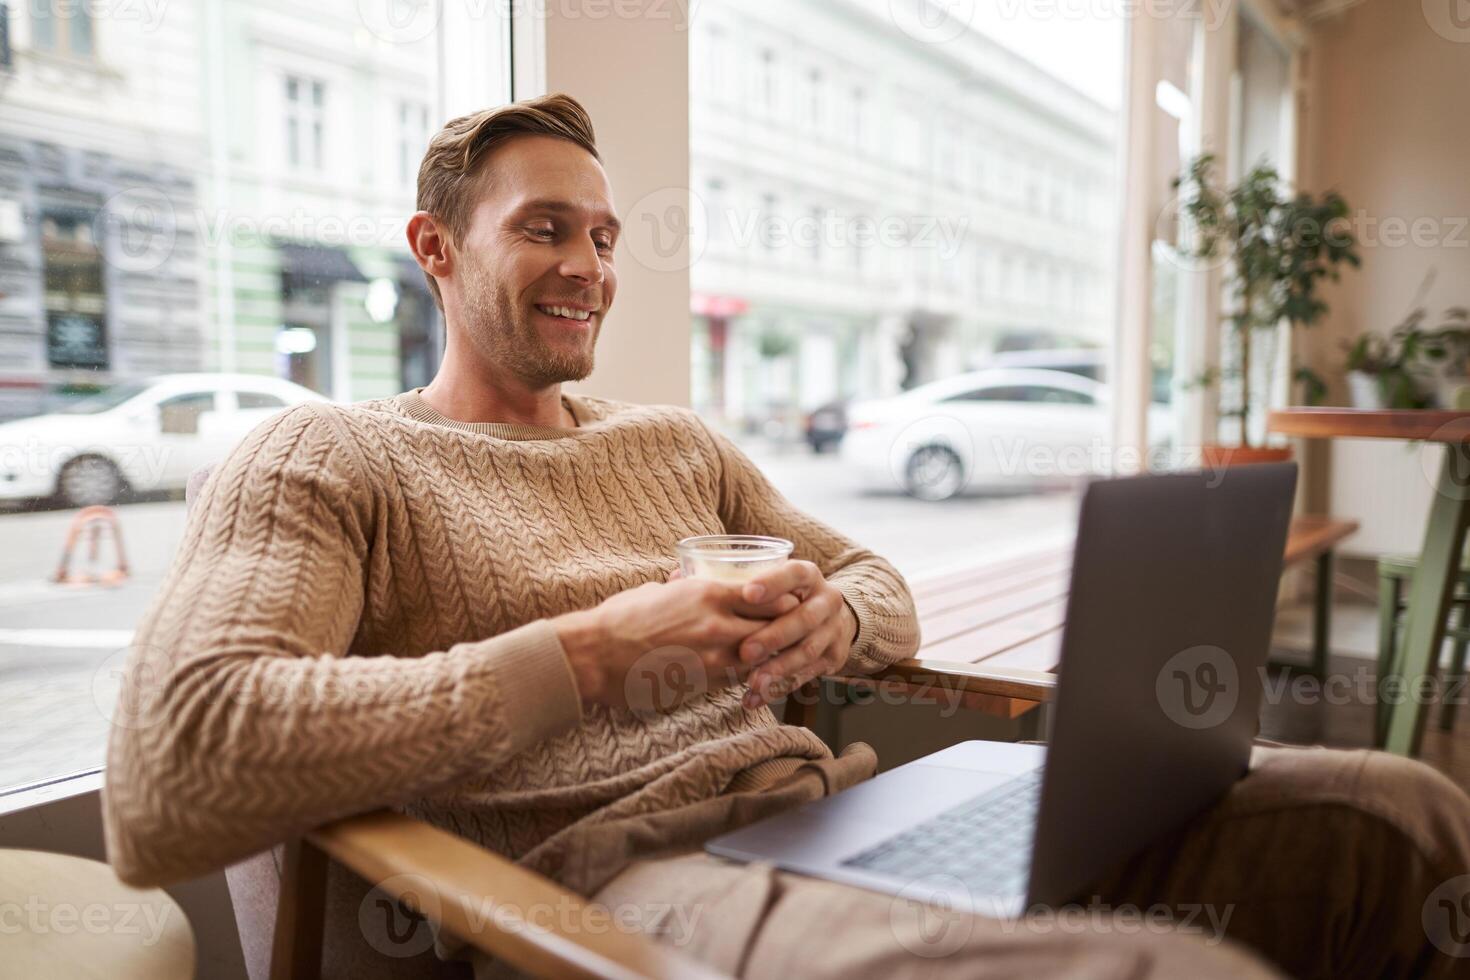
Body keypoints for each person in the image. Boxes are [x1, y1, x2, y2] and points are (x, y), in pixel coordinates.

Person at [103, 94, 1470, 980]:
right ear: (436, 250)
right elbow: (172, 762)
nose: (587, 265)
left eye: (602, 232)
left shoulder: (674, 444)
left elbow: (873, 576)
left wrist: (847, 620)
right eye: (541, 230)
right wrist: (587, 651)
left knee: (1393, 815)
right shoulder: (334, 456)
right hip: (627, 884)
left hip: (836, 816)